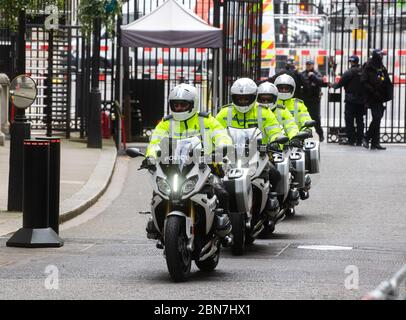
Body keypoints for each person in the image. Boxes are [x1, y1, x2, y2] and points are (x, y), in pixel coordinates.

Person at [145, 83, 233, 243]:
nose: (179, 108)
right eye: (175, 104)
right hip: (173, 167)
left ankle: (223, 230)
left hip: (203, 166)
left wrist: (221, 148)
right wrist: (150, 156)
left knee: (221, 192)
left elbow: (221, 135)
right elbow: (154, 142)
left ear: (193, 104)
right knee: (157, 194)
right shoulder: (166, 123)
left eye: (183, 104)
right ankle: (157, 227)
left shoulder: (206, 121)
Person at [215, 78, 286, 197]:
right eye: (239, 98)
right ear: (233, 97)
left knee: (275, 174)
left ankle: (272, 201)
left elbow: (274, 130)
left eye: (246, 98)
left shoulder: (264, 112)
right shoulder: (225, 112)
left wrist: (275, 140)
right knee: (216, 179)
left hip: (259, 153)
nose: (242, 101)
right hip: (231, 154)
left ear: (253, 97)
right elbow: (215, 132)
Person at [361, 49, 393, 150]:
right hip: (372, 97)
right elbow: (364, 81)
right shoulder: (369, 66)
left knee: (378, 119)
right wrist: (373, 91)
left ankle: (375, 143)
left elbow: (385, 79)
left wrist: (388, 91)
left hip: (380, 97)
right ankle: (366, 137)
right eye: (381, 55)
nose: (382, 57)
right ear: (377, 56)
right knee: (377, 117)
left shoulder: (380, 66)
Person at [332, 55, 365, 146]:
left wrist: (333, 86)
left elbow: (340, 83)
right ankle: (359, 140)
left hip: (351, 100)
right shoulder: (363, 71)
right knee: (360, 121)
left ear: (351, 62)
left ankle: (351, 140)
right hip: (362, 100)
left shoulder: (349, 72)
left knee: (349, 121)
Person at [301, 60, 328, 142]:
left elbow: (323, 83)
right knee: (302, 118)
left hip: (314, 100)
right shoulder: (302, 74)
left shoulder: (317, 74)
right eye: (307, 64)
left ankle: (320, 134)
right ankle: (302, 136)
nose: (308, 66)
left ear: (313, 65)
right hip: (304, 99)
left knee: (316, 118)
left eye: (310, 64)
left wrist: (313, 76)